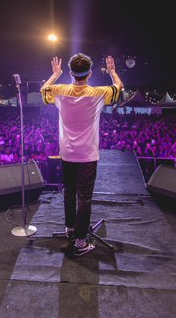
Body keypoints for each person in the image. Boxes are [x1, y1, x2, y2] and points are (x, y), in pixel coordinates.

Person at [41, 53, 123, 257]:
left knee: (69, 192)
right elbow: (118, 87)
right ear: (90, 73)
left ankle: (71, 228)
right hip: (87, 155)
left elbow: (44, 90)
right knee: (84, 197)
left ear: (70, 73)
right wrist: (112, 72)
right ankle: (80, 241)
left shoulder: (60, 91)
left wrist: (55, 75)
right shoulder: (98, 93)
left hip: (67, 154)